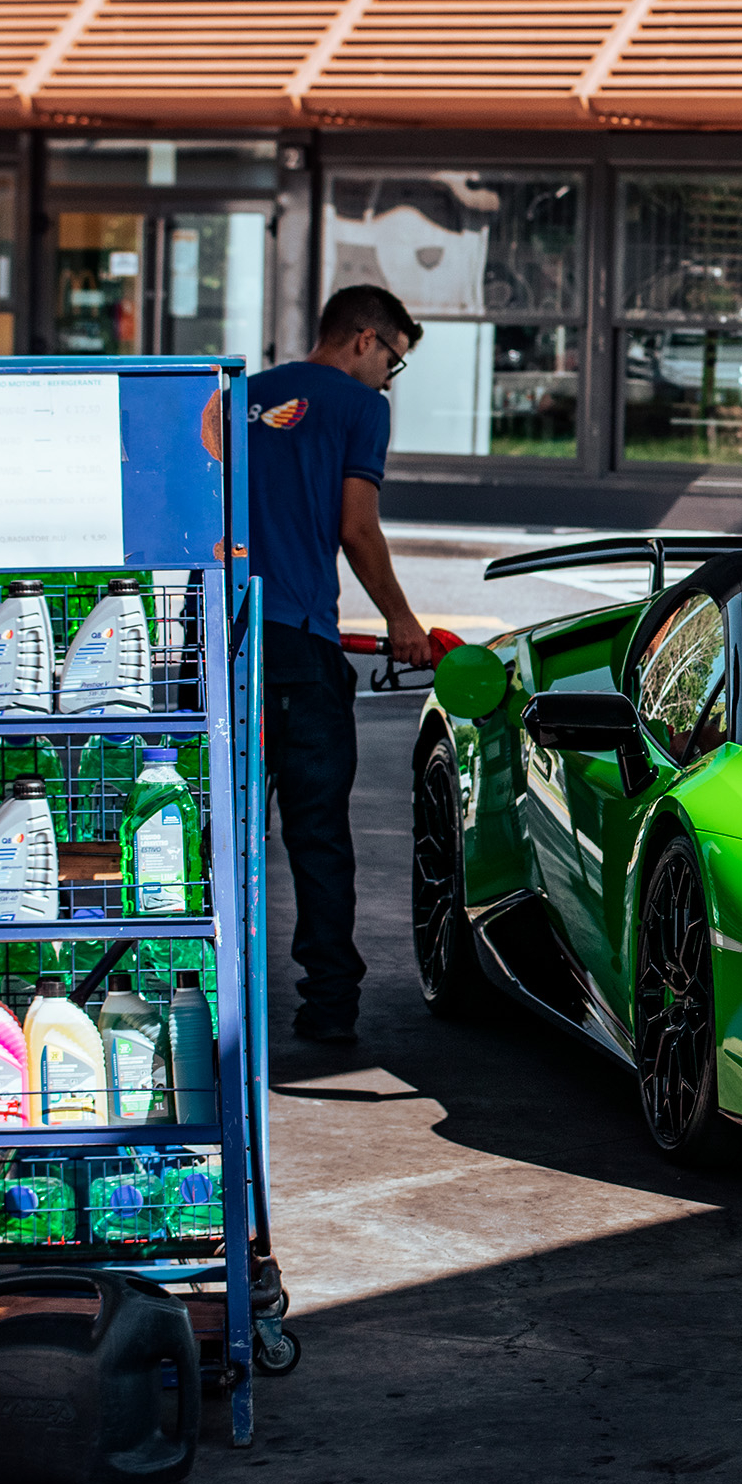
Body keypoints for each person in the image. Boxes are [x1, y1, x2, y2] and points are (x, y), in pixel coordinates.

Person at [247, 285, 436, 1045]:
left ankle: (189, 993)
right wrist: (401, 620)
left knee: (208, 837)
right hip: (298, 645)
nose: (391, 378)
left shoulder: (244, 396)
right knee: (317, 834)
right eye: (393, 359)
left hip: (216, 650)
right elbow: (357, 528)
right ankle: (328, 1007)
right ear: (364, 339)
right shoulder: (362, 409)